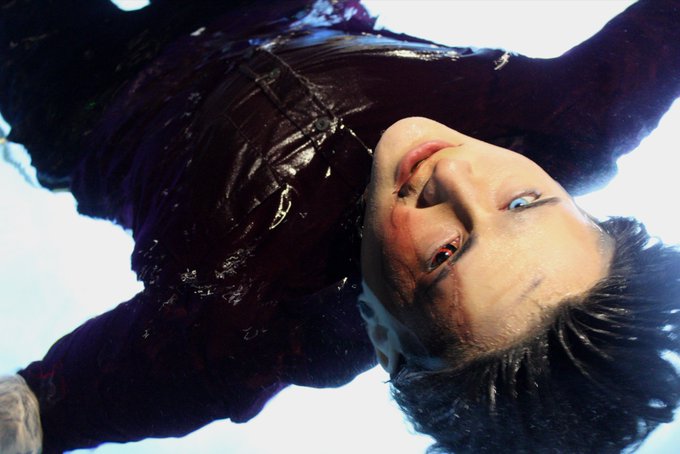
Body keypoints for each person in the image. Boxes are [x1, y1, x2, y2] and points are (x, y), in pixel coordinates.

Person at [1, 0, 680, 453]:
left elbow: (52, 407)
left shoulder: (257, 331)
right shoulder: (567, 122)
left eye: (445, 253)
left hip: (93, 100)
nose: (456, 174)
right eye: (525, 203)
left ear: (384, 339)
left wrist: (28, 413)